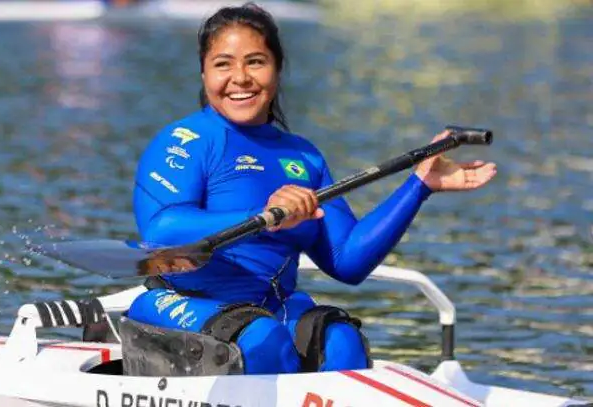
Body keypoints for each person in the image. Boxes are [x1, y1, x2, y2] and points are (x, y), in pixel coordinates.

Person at [127, 3, 497, 375]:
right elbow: (163, 230)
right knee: (263, 340)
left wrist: (419, 185)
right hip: (184, 300)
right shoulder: (187, 140)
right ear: (204, 72)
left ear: (277, 69)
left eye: (256, 62)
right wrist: (265, 218)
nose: (240, 77)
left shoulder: (304, 157)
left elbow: (347, 261)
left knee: (343, 343)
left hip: (273, 306)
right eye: (223, 64)